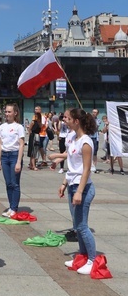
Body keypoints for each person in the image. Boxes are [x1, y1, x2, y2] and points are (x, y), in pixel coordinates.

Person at [59, 108, 98, 275]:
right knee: (77, 225)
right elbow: (72, 166)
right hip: (73, 185)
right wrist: (64, 183)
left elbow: (86, 169)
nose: (64, 120)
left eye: (68, 118)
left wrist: (79, 192)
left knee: (82, 226)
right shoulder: (73, 139)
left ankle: (92, 260)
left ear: (77, 121)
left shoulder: (86, 142)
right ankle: (82, 256)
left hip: (83, 188)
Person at [0, 103, 25, 217]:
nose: (7, 114)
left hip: (14, 155)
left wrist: (18, 161)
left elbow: (21, 145)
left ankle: (14, 208)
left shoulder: (19, 127)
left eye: (9, 112)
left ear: (15, 113)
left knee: (14, 183)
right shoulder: (2, 126)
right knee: (8, 183)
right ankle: (10, 206)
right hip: (4, 156)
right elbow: (0, 143)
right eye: (6, 112)